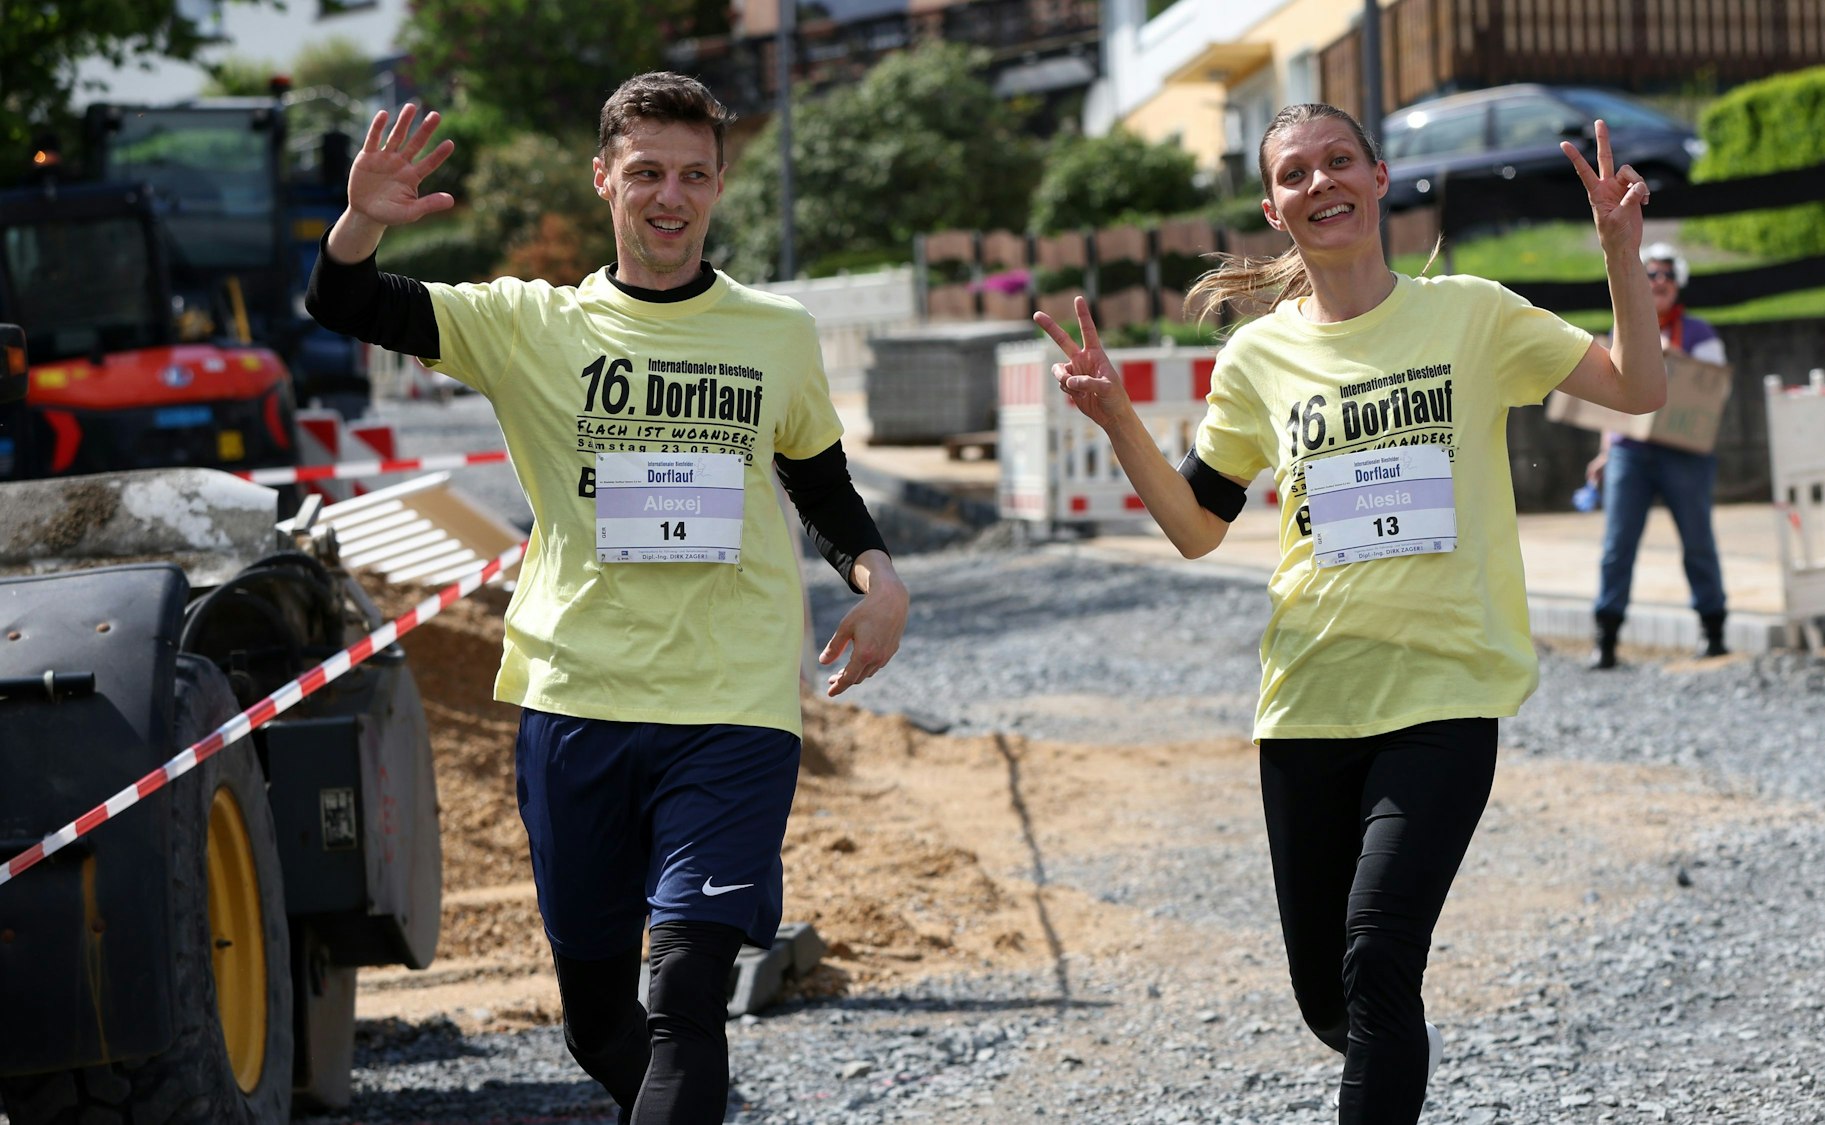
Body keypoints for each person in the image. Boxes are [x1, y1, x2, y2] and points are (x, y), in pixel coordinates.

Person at [1031, 105, 1665, 1123]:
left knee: (1376, 954)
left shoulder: (1471, 316)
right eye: (1295, 173)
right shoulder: (1255, 360)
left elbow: (1636, 387)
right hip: (1310, 699)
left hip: (1445, 692)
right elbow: (1196, 527)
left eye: (1338, 162)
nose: (1319, 182)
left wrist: (1618, 253)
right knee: (1332, 998)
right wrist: (1116, 418)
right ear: (1272, 209)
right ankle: (1385, 1043)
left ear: (1378, 178)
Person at [305, 76, 909, 1125]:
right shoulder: (528, 325)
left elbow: (820, 486)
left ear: (718, 185)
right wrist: (360, 222)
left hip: (732, 706)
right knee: (596, 1022)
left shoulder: (775, 332)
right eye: (646, 173)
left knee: (684, 998)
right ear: (603, 180)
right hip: (576, 699)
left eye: (693, 175)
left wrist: (878, 576)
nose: (670, 197)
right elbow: (344, 302)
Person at [1585, 241, 1729, 669]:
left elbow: (1714, 387)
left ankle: (1713, 630)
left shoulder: (1700, 333)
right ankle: (1606, 638)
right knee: (1617, 546)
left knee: (1698, 542)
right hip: (1630, 452)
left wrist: (1674, 357)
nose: (1659, 282)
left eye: (1667, 274)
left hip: (1684, 453)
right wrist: (1605, 451)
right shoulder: (1623, 330)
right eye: (1650, 274)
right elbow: (1609, 396)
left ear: (1678, 282)